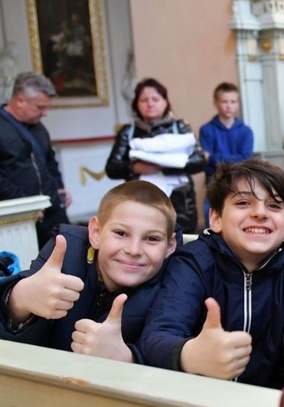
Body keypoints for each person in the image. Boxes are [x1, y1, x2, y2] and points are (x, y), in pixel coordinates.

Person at [137, 160, 284, 388]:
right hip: (197, 403)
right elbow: (157, 336)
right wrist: (189, 354)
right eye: (243, 202)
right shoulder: (192, 263)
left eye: (274, 206)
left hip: (270, 406)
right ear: (216, 218)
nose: (260, 213)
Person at [0, 181, 178, 363]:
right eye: (121, 233)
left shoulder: (175, 282)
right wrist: (18, 300)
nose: (134, 250)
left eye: (152, 238)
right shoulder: (65, 250)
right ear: (95, 233)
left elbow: (171, 348)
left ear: (169, 246)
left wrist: (129, 359)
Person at [106, 78, 206, 234]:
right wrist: (135, 167)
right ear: (136, 104)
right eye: (144, 100)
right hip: (140, 200)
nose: (150, 104)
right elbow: (112, 168)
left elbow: (200, 160)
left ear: (165, 102)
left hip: (180, 202)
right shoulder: (128, 131)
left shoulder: (179, 127)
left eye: (155, 99)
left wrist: (164, 164)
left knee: (181, 244)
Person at [0, 72, 70, 248]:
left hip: (52, 209)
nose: (45, 113)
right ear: (20, 100)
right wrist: (26, 206)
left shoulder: (39, 128)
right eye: (39, 107)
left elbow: (50, 161)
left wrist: (59, 187)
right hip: (20, 217)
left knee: (71, 256)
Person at [199, 82, 254, 179]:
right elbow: (207, 163)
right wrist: (236, 159)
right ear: (215, 103)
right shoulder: (206, 130)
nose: (229, 106)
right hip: (214, 183)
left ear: (238, 104)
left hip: (240, 181)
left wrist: (212, 158)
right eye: (224, 102)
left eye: (233, 102)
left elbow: (245, 159)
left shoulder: (246, 131)